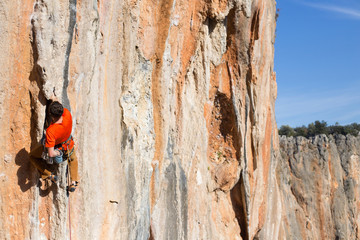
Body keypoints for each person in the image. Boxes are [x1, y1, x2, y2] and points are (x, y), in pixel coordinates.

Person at [29, 101, 79, 192]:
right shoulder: (67, 114)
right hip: (68, 145)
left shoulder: (51, 131)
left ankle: (49, 175)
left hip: (58, 150)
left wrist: (58, 152)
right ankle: (73, 182)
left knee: (32, 156)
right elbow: (60, 108)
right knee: (73, 159)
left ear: (51, 115)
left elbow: (51, 154)